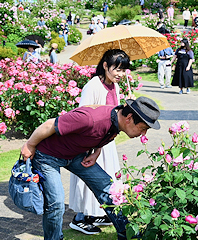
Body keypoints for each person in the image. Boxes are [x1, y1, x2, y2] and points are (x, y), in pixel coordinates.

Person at [20, 93, 160, 240]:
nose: (144, 133)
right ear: (129, 118)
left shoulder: (116, 119)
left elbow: (103, 134)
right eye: (143, 128)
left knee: (110, 190)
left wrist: (96, 151)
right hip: (47, 156)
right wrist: (29, 145)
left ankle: (129, 236)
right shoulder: (90, 119)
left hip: (75, 155)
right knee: (56, 203)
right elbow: (49, 124)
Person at [68, 49, 130, 234]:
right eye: (116, 69)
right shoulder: (93, 86)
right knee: (87, 177)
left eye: (123, 69)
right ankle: (80, 217)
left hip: (106, 139)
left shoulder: (115, 86)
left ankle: (95, 212)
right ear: (105, 66)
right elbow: (83, 116)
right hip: (90, 140)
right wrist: (93, 146)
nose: (120, 74)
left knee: (105, 176)